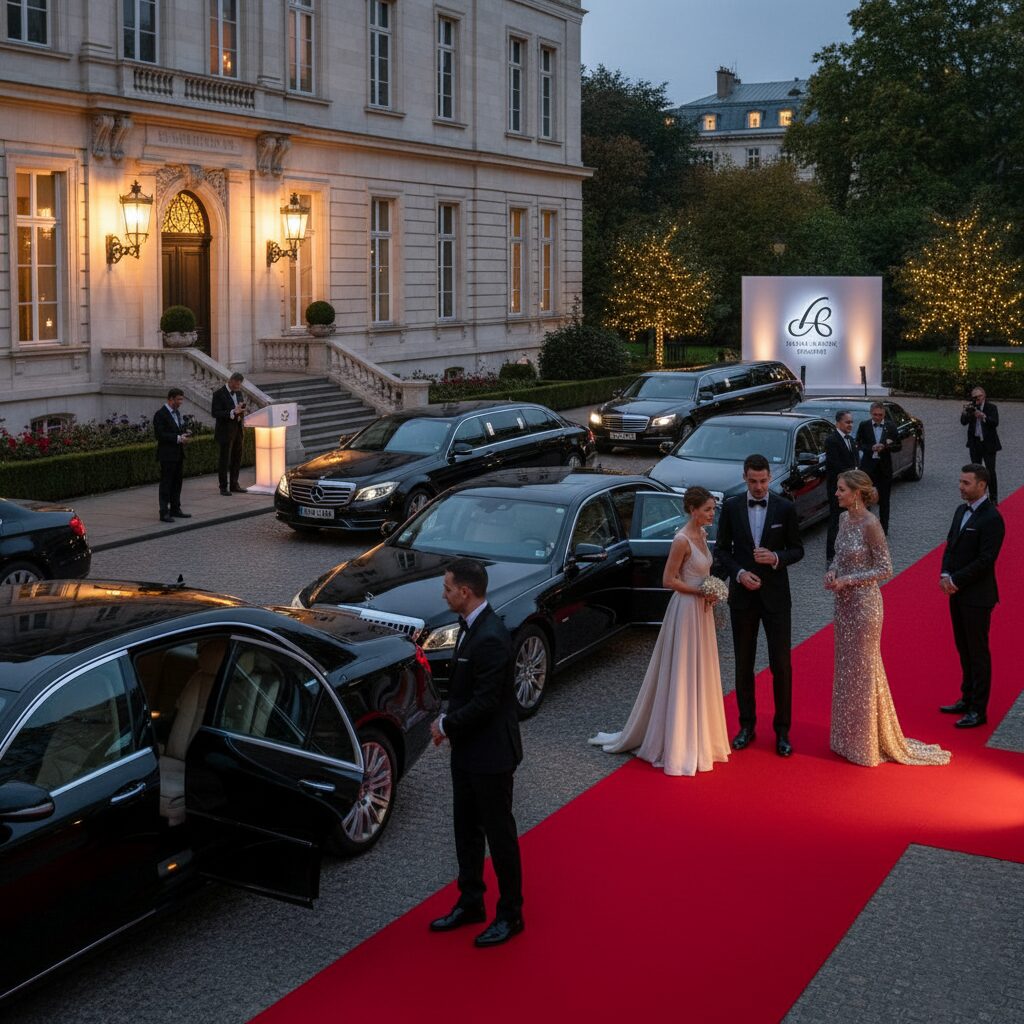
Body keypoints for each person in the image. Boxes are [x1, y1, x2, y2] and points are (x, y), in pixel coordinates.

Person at [588, 486, 730, 776]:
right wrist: (699, 591)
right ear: (693, 510)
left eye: (713, 509)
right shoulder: (681, 540)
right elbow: (668, 580)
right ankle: (679, 741)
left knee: (700, 670)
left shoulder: (702, 535)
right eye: (708, 509)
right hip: (686, 611)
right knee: (682, 671)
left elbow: (701, 571)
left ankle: (701, 735)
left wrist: (710, 591)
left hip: (701, 611)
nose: (712, 513)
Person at [429, 559, 524, 948]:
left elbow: (486, 702)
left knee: (499, 836)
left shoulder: (491, 637)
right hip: (468, 750)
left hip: (491, 755)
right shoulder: (473, 628)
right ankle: (471, 902)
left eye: (448, 588)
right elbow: (466, 690)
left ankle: (511, 914)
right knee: (465, 830)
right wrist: (448, 713)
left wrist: (446, 725)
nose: (444, 593)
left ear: (465, 592)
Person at [827, 469, 950, 767]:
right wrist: (832, 571)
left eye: (841, 489)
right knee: (846, 671)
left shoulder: (871, 524)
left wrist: (849, 580)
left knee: (865, 670)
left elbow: (885, 568)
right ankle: (847, 738)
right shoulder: (844, 520)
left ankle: (867, 743)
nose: (836, 493)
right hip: (843, 607)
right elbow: (839, 556)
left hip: (865, 608)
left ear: (856, 493)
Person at [714, 455, 804, 757]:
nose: (758, 487)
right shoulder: (731, 507)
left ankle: (782, 732)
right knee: (743, 665)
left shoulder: (785, 507)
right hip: (743, 598)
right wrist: (739, 573)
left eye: (763, 481)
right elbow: (722, 551)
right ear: (744, 478)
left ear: (770, 478)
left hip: (777, 598)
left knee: (782, 666)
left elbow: (798, 550)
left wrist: (777, 558)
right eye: (753, 481)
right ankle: (746, 726)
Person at [938, 464, 1006, 728]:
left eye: (966, 483)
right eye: (960, 481)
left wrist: (955, 579)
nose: (960, 486)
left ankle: (979, 709)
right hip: (956, 593)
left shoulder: (992, 519)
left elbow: (985, 561)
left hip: (978, 597)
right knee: (963, 648)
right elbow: (950, 544)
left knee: (978, 653)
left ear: (982, 485)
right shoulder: (959, 511)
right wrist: (945, 573)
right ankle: (966, 698)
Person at [855, 402, 901, 534]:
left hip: (884, 469)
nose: (877, 417)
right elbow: (858, 443)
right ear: (871, 413)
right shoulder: (864, 425)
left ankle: (883, 529)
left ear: (884, 414)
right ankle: (867, 527)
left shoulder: (891, 427)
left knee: (885, 500)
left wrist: (885, 447)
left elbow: (898, 446)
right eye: (875, 414)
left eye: (880, 415)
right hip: (868, 469)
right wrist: (870, 448)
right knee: (866, 499)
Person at [153, 388, 192, 524]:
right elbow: (160, 435)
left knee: (177, 483)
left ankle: (175, 508)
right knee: (166, 484)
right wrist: (178, 438)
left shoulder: (177, 413)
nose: (180, 402)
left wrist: (184, 433)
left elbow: (177, 430)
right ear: (170, 399)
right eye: (178, 399)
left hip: (178, 454)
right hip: (167, 455)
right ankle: (164, 512)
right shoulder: (160, 414)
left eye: (181, 399)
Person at [824, 410, 859, 562]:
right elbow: (834, 465)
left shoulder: (851, 440)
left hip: (851, 489)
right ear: (838, 423)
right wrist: (853, 472)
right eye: (847, 422)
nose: (850, 425)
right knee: (836, 521)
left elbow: (855, 460)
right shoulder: (832, 440)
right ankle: (831, 556)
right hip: (837, 489)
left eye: (851, 422)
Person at [960, 386, 1001, 503]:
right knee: (975, 472)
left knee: (990, 470)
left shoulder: (991, 407)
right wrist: (966, 412)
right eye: (974, 397)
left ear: (984, 396)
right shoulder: (971, 407)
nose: (976, 399)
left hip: (988, 443)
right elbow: (963, 422)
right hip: (975, 443)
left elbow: (995, 423)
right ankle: (977, 496)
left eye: (978, 396)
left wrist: (983, 416)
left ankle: (993, 497)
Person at [212, 372, 249, 496]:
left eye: (240, 384)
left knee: (237, 458)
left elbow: (239, 409)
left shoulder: (238, 392)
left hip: (238, 430)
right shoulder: (219, 394)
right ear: (231, 381)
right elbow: (215, 413)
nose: (238, 386)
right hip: (225, 432)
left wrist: (242, 411)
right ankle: (223, 487)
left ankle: (234, 484)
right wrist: (232, 412)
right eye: (237, 384)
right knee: (224, 460)